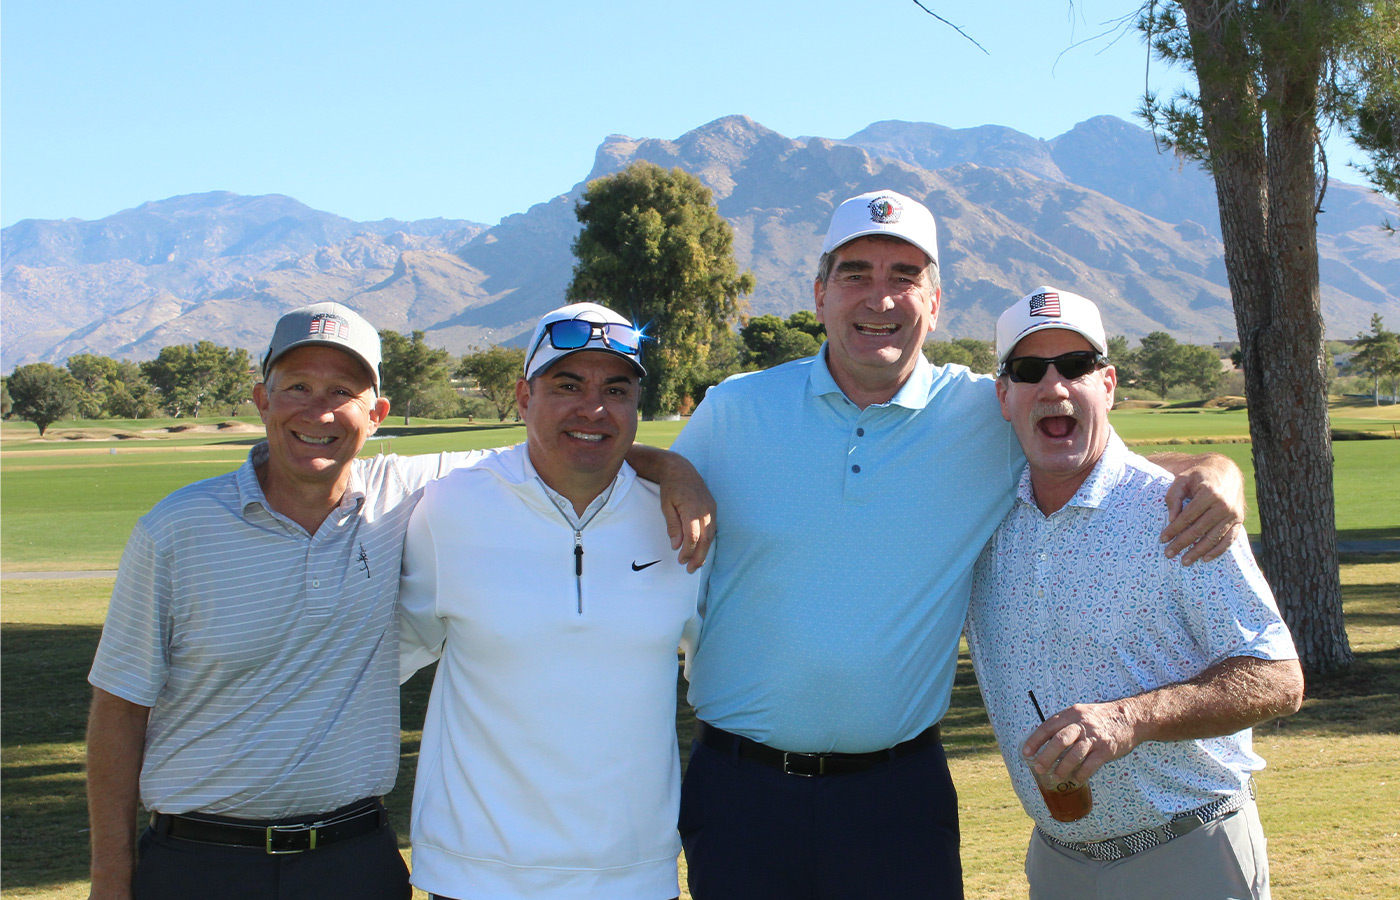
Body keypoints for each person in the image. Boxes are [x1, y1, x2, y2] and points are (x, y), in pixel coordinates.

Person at [669, 189, 1247, 900]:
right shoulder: (735, 410)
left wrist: (1221, 471)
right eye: (857, 274)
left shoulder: (988, 410)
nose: (880, 298)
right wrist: (663, 464)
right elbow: (617, 488)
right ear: (820, 294)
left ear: (935, 305)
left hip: (897, 798)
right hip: (739, 791)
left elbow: (1105, 461)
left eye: (904, 277)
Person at [85, 302, 713, 900]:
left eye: (343, 393)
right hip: (204, 858)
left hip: (355, 860)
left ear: (376, 411)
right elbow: (118, 705)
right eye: (298, 386)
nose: (320, 412)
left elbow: (570, 446)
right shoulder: (180, 528)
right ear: (261, 399)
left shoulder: (414, 494)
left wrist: (672, 469)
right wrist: (112, 881)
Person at [965, 285, 1304, 900]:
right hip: (1056, 861)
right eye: (1027, 370)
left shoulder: (1180, 511)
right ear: (1004, 395)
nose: (1054, 386)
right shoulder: (984, 517)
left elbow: (1279, 677)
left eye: (1075, 366)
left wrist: (1129, 720)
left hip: (1188, 855)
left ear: (1109, 384)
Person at [397, 302, 702, 900]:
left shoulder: (683, 522)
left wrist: (673, 468)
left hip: (633, 877)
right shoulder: (449, 508)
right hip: (473, 874)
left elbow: (722, 677)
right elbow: (382, 661)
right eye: (567, 385)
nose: (593, 408)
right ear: (522, 397)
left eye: (616, 389)